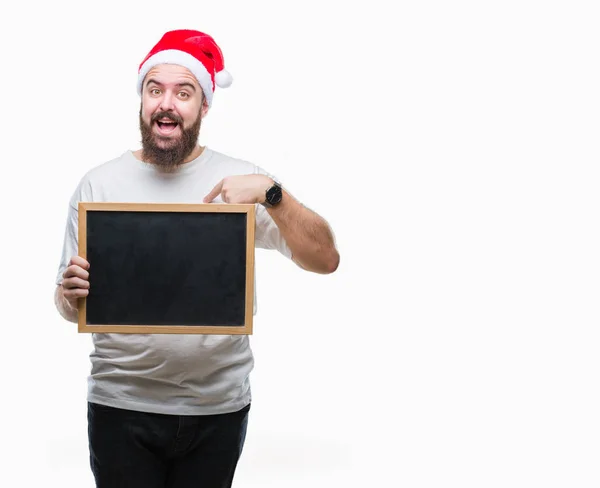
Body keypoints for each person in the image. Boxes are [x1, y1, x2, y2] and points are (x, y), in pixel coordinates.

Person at [53, 29, 339, 488]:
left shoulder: (242, 181)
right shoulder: (98, 185)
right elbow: (69, 305)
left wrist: (273, 195)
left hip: (218, 409)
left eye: (183, 92)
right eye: (155, 89)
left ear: (203, 105)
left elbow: (326, 260)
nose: (167, 103)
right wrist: (69, 296)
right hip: (120, 405)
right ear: (142, 100)